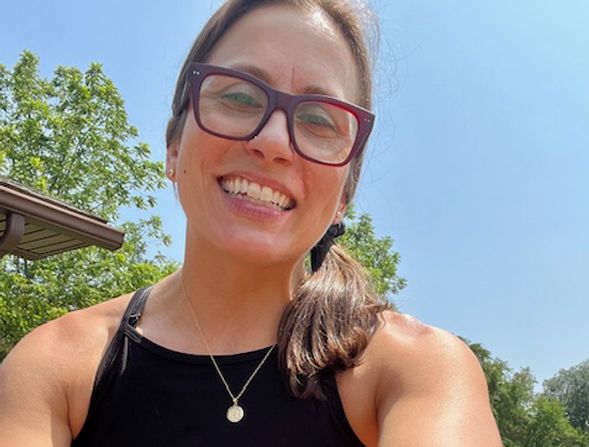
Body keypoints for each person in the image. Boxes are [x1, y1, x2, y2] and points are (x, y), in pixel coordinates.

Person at [0, 0, 503, 445]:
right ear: (174, 147)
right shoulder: (54, 367)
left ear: (344, 196)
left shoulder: (414, 372)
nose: (274, 142)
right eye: (240, 97)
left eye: (319, 120)